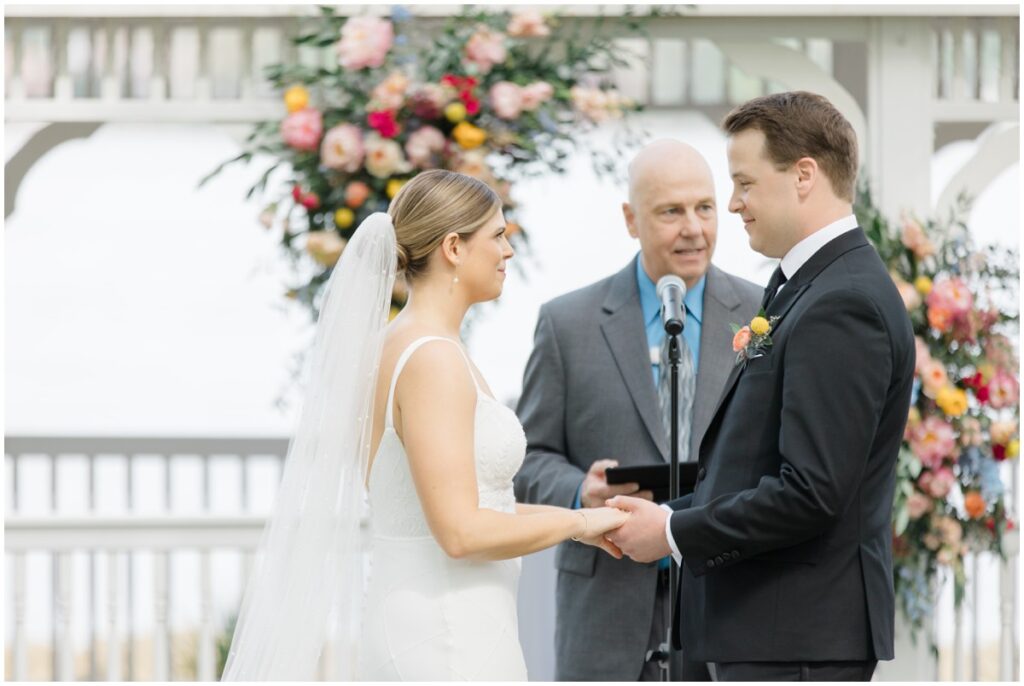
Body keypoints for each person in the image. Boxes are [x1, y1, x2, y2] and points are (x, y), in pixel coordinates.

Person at [222, 169, 629, 681]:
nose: (508, 252)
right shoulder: (433, 359)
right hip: (446, 635)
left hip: (436, 621)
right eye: (498, 236)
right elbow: (459, 531)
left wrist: (575, 523)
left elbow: (470, 502)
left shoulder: (399, 344)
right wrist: (580, 522)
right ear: (453, 247)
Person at [606, 92, 916, 682]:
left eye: (744, 183)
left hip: (796, 636)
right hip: (774, 631)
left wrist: (672, 532)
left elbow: (811, 493)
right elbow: (752, 467)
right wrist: (660, 515)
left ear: (804, 175)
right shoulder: (807, 285)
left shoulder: (842, 301)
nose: (734, 203)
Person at [514, 140, 762, 680]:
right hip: (606, 608)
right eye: (671, 211)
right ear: (631, 219)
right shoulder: (567, 325)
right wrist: (582, 491)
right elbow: (526, 459)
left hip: (729, 602)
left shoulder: (762, 312)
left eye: (704, 207)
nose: (693, 228)